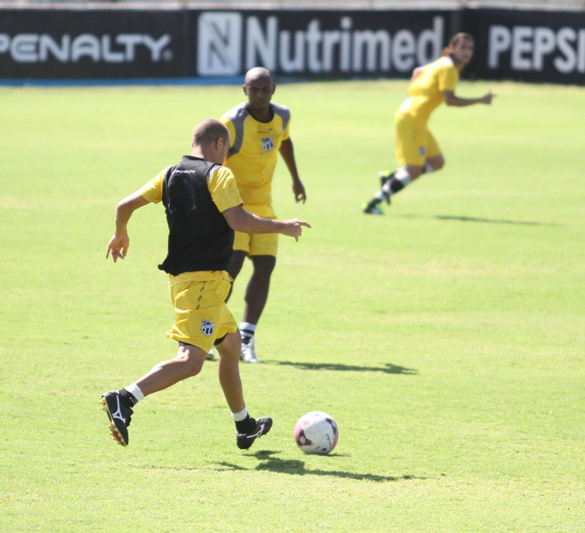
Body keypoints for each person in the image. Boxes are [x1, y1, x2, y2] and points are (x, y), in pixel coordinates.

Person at [101, 118, 311, 448]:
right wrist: (281, 226)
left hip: (189, 281)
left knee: (231, 346)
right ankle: (125, 398)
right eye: (227, 149)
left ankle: (244, 425)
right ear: (219, 144)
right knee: (190, 361)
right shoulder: (219, 174)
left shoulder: (169, 174)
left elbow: (124, 205)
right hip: (203, 285)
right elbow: (238, 220)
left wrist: (120, 233)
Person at [217, 67, 306, 363]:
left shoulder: (283, 116)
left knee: (265, 266)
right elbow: (212, 160)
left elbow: (285, 142)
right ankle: (207, 332)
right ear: (244, 90)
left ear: (273, 89)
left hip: (264, 205)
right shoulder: (232, 122)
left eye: (264, 89)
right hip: (235, 207)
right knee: (230, 270)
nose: (259, 94)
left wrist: (295, 179)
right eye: (253, 89)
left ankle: (246, 337)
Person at [362, 32, 494, 215]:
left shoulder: (441, 63)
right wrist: (480, 100)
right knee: (414, 170)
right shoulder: (449, 69)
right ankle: (373, 204)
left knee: (437, 162)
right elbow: (450, 100)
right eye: (462, 47)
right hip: (413, 119)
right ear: (452, 48)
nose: (466, 52)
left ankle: (393, 178)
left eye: (470, 48)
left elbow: (417, 71)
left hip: (415, 118)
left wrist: (412, 97)